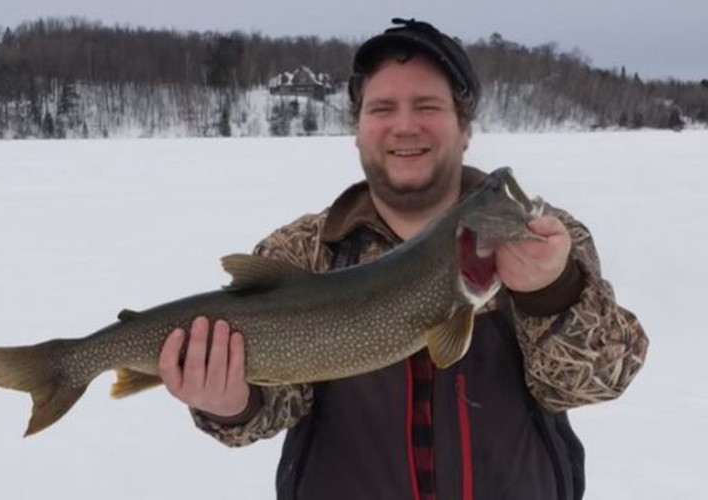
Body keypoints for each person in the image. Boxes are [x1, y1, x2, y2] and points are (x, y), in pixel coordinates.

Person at [158, 18, 648, 500]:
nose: (405, 125)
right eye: (382, 108)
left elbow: (596, 383)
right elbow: (279, 403)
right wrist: (231, 404)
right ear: (358, 130)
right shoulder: (304, 250)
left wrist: (549, 291)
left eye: (427, 106)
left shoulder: (543, 238)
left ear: (465, 129)